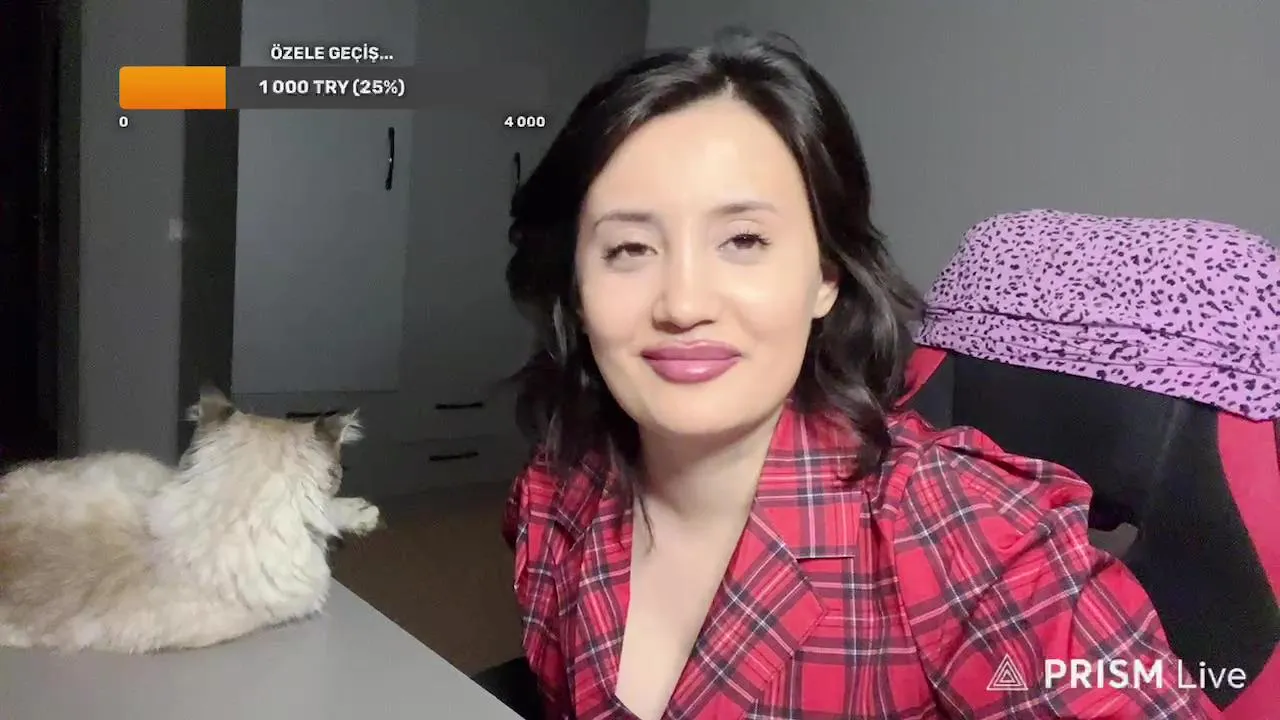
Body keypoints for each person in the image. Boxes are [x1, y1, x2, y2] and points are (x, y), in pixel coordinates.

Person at [501, 31, 1219, 720]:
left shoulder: (973, 540)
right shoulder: (555, 489)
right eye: (629, 249)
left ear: (825, 277)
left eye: (743, 240)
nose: (683, 304)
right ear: (577, 291)